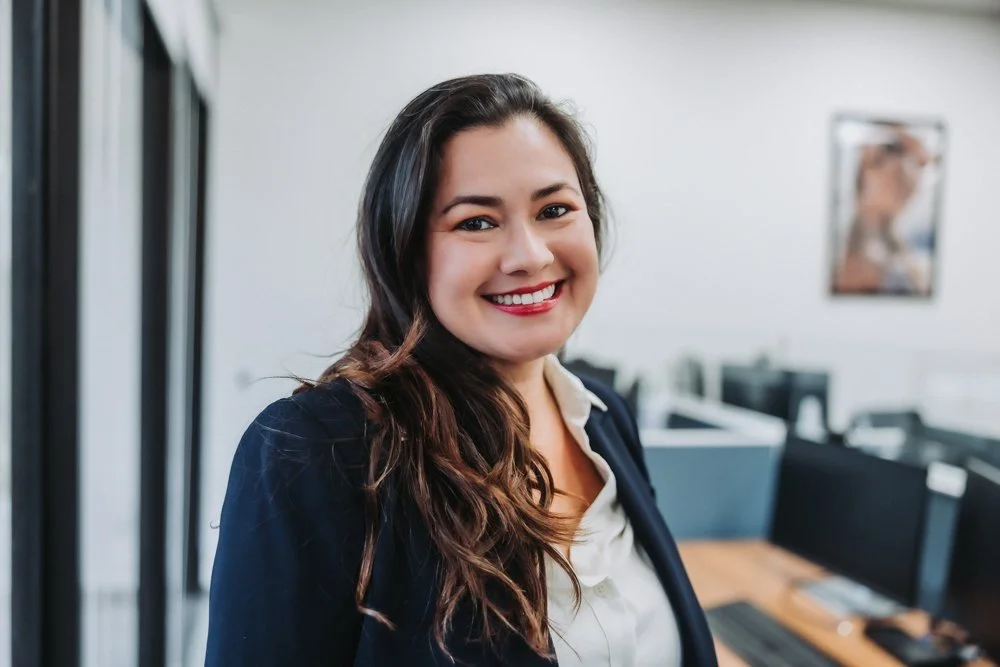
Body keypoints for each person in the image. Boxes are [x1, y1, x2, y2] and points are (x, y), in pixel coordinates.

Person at [206, 73, 717, 667]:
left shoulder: (603, 420)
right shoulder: (319, 449)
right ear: (406, 249)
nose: (531, 255)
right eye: (477, 222)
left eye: (555, 209)